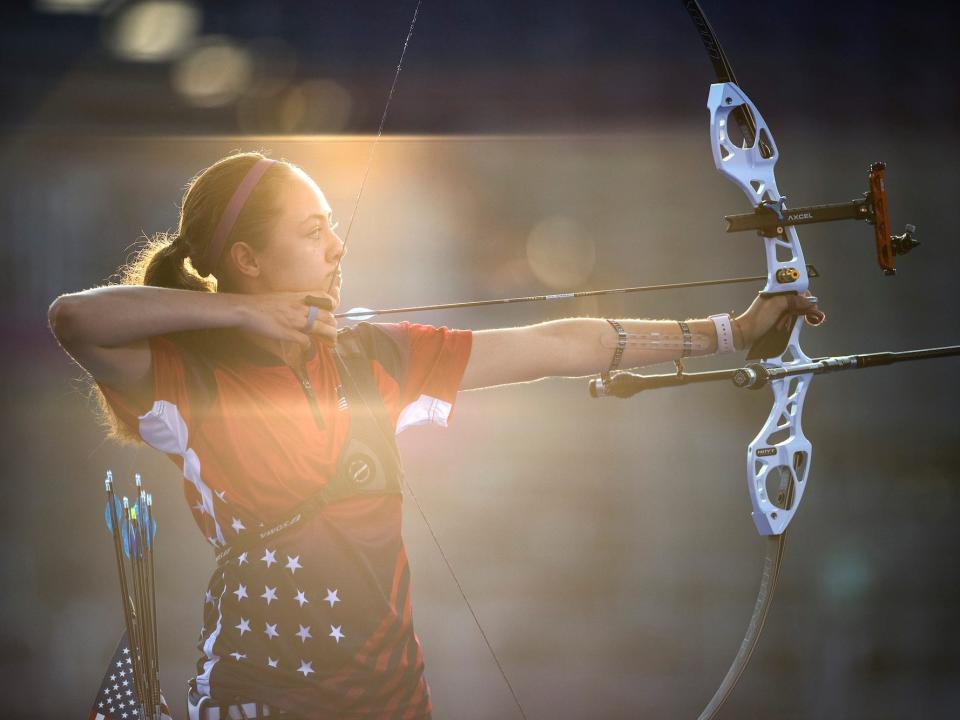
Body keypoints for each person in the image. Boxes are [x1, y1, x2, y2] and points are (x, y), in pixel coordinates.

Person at [47, 151, 822, 719]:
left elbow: (560, 344)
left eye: (333, 230)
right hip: (265, 700)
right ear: (246, 259)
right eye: (312, 232)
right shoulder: (191, 379)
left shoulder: (372, 354)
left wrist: (731, 329)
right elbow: (74, 319)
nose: (337, 247)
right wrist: (242, 314)